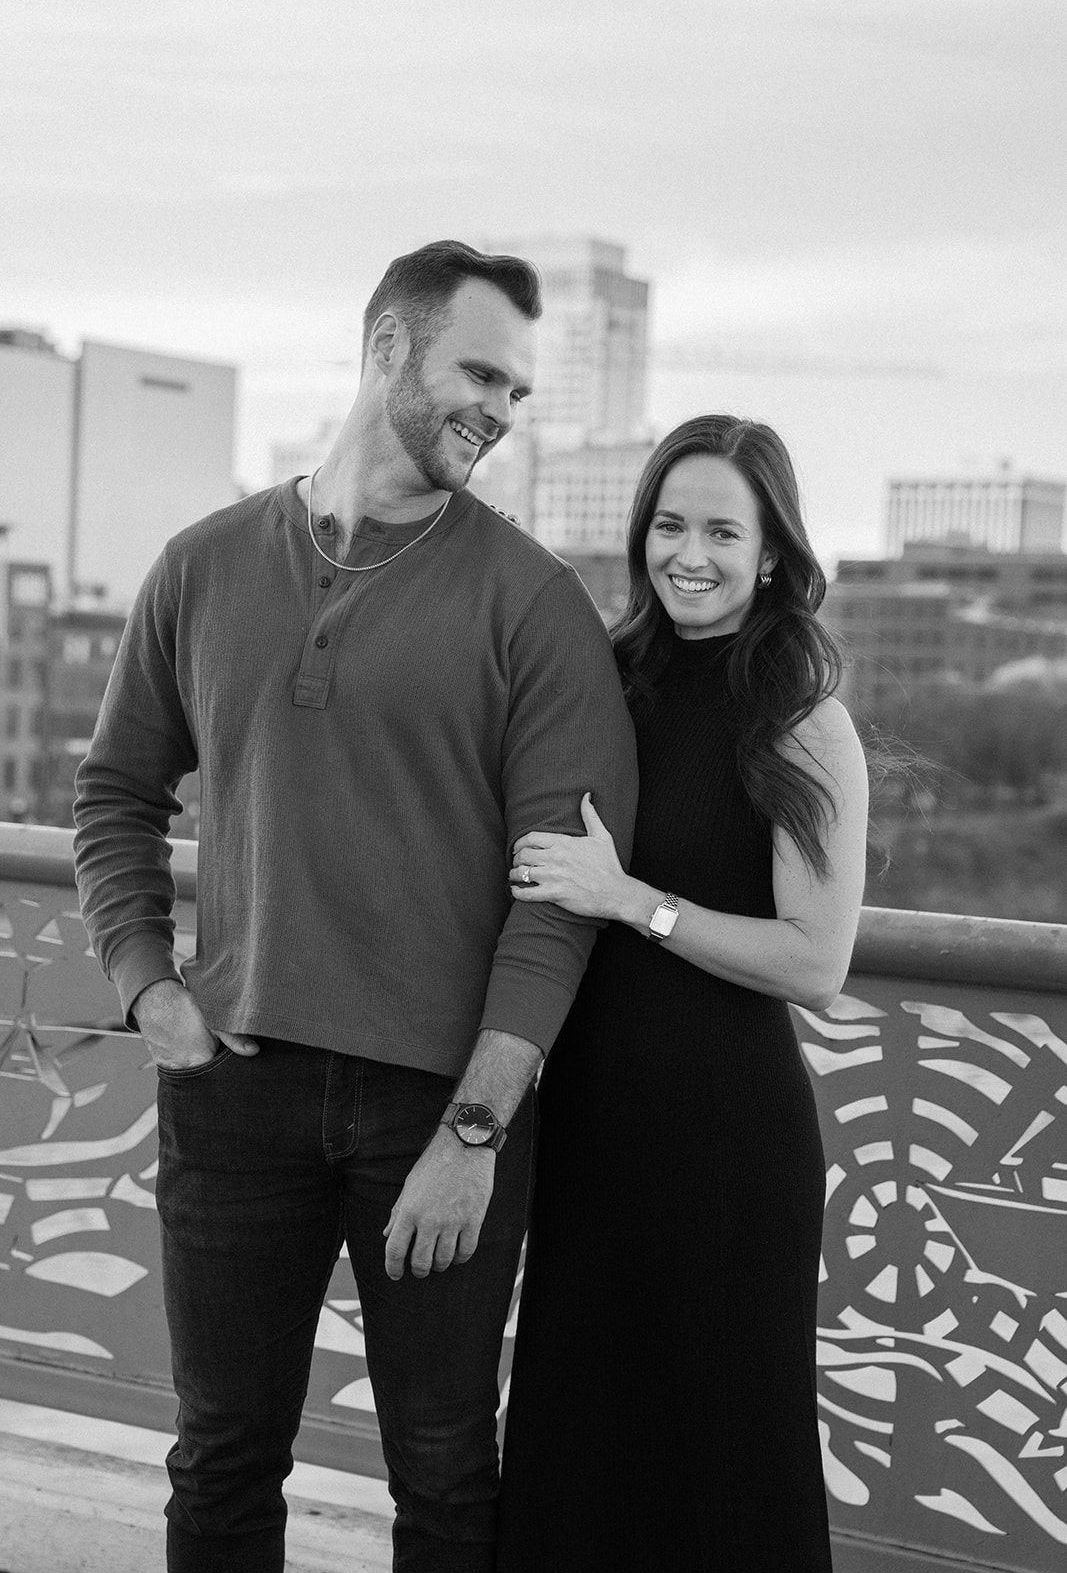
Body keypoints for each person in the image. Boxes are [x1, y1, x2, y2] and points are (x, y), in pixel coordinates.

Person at [73, 239, 637, 1573]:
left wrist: (477, 1126)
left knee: (442, 1476)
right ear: (387, 349)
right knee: (220, 1458)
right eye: (479, 374)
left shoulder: (534, 607)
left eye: (517, 393)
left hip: (436, 1111)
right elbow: (114, 795)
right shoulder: (202, 565)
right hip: (235, 1088)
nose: (499, 413)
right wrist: (151, 992)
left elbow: (557, 906)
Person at [496, 414, 869, 1571]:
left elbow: (815, 961)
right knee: (573, 1447)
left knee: (724, 1464)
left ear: (770, 553)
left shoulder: (802, 721)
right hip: (590, 1136)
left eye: (721, 529)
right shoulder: (597, 682)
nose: (688, 553)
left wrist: (630, 899)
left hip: (726, 1148)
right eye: (668, 523)